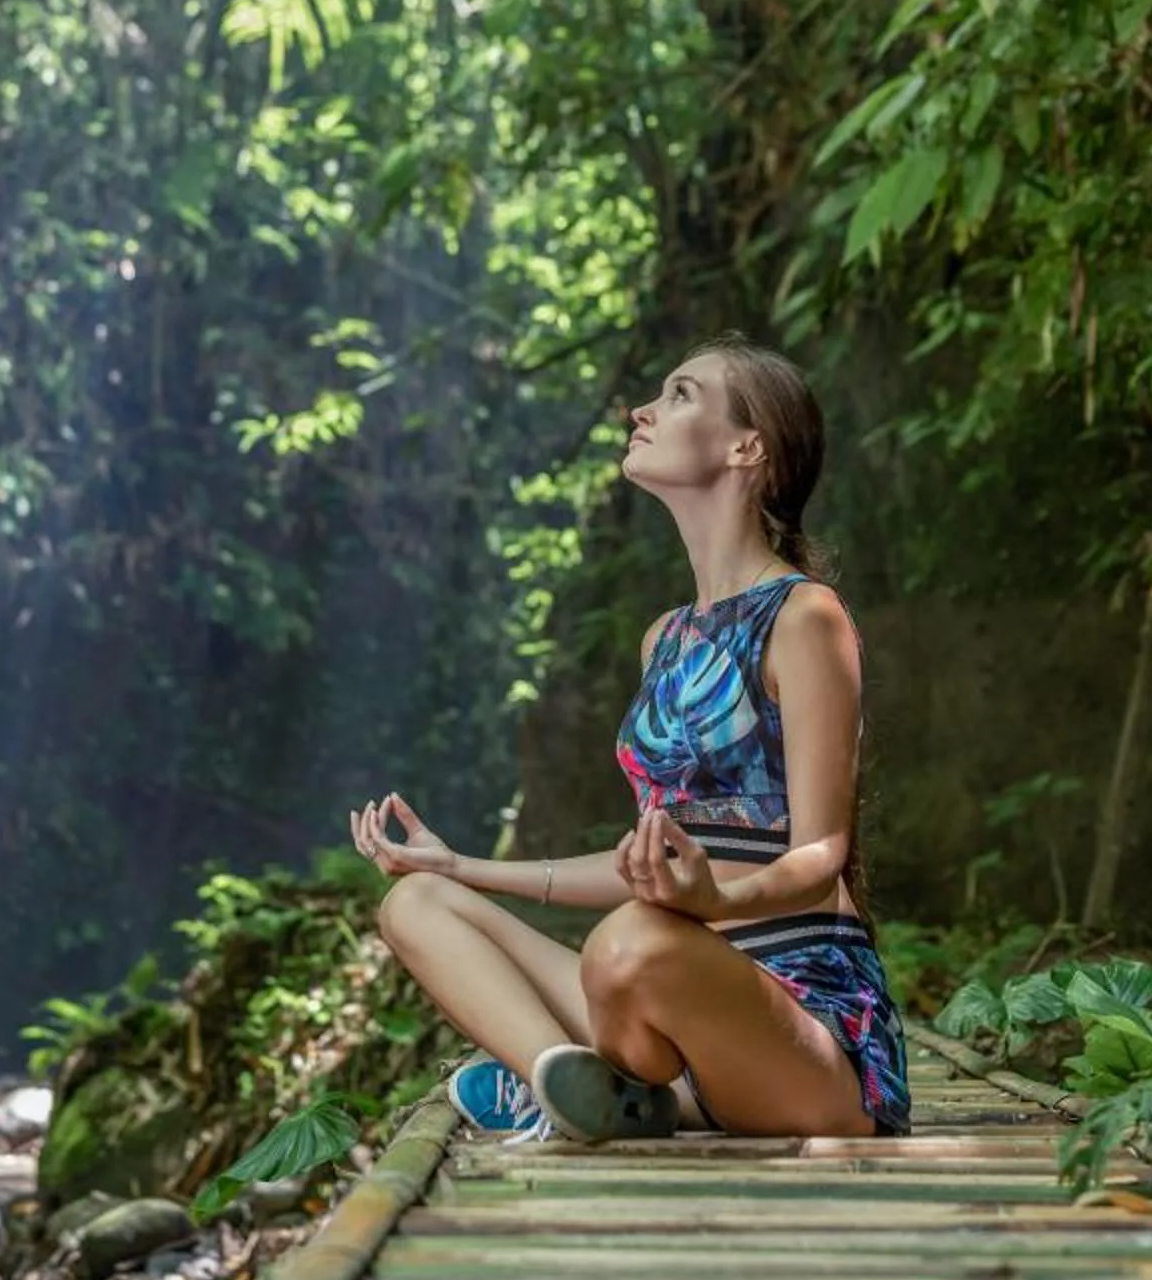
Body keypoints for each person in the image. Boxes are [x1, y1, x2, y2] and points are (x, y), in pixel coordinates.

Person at [347, 335, 909, 1144]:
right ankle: (578, 1088)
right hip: (661, 992)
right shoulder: (665, 641)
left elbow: (820, 851)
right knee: (419, 903)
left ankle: (630, 1092)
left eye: (680, 395)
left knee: (633, 942)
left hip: (803, 1035)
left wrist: (716, 903)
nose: (642, 410)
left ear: (747, 447)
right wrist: (463, 866)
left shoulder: (803, 616)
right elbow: (643, 863)